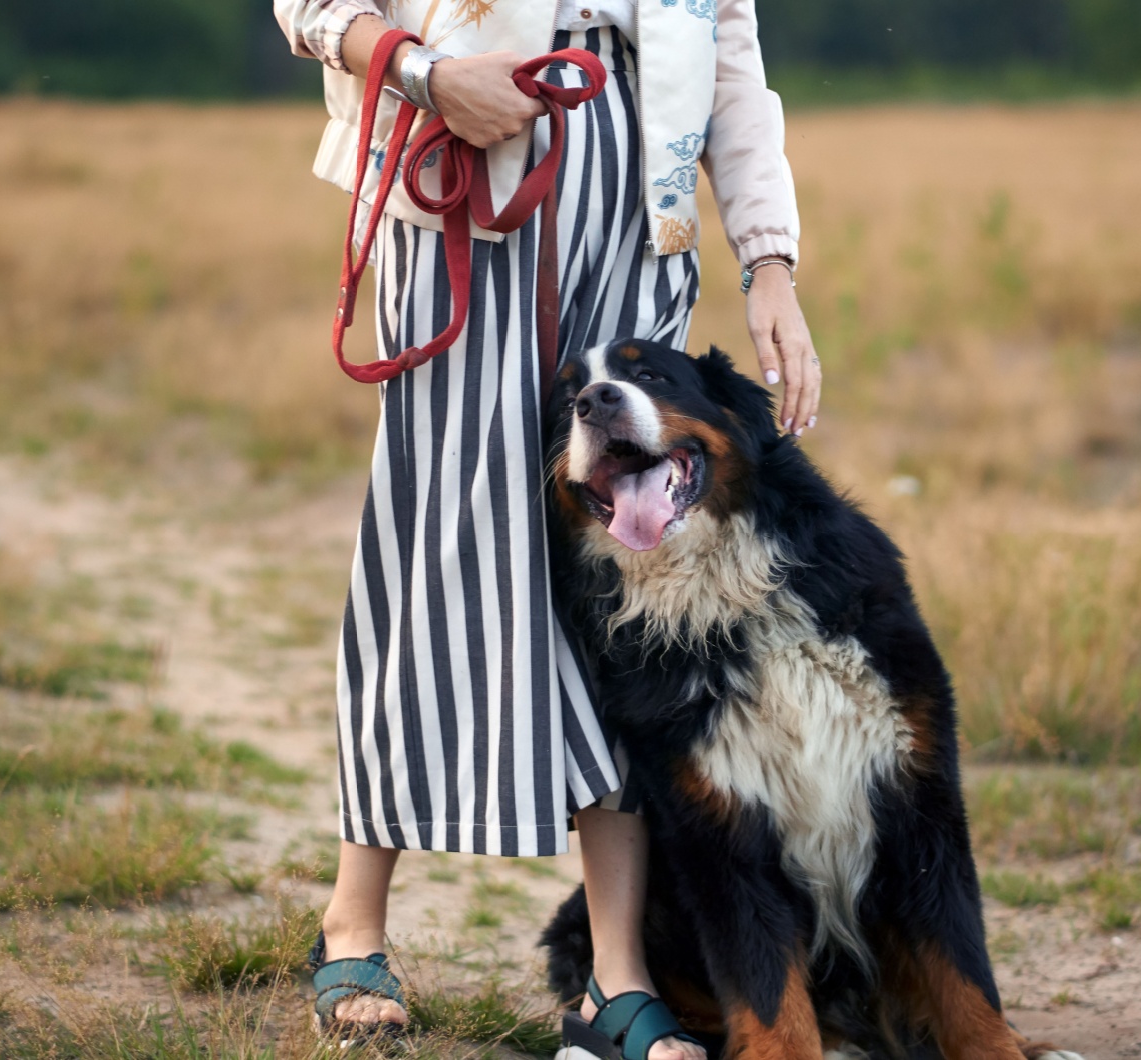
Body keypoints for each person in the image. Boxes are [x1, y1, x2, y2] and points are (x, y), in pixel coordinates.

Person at [274, 0, 819, 1056]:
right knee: (439, 544)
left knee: (635, 560)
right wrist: (426, 74)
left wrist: (770, 265)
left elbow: (731, 63)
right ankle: (356, 922)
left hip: (643, 215)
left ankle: (614, 975)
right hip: (462, 175)